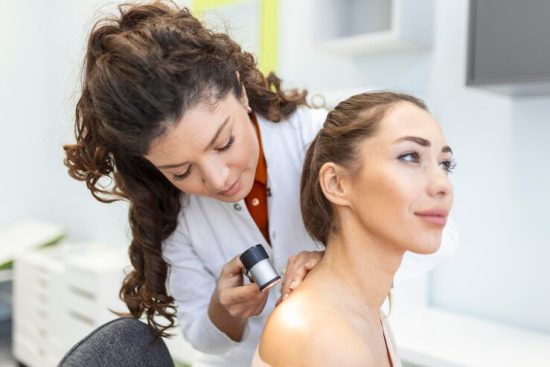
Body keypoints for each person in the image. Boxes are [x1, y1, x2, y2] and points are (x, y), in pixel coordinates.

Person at [63, 2, 458, 366]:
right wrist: (223, 310)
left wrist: (337, 265)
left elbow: (436, 231)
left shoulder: (322, 145)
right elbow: (201, 337)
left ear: (240, 91)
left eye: (224, 143)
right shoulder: (177, 213)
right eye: (182, 172)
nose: (218, 179)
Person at [252, 92, 455, 367]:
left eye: (445, 164)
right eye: (409, 157)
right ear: (336, 183)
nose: (442, 184)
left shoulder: (363, 310)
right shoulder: (322, 337)